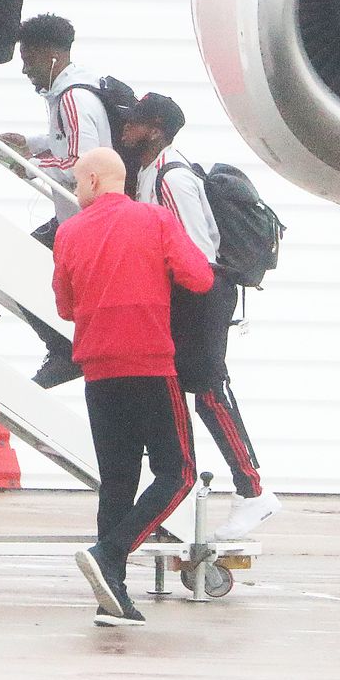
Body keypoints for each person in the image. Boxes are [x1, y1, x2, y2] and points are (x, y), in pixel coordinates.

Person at [54, 148, 214, 628]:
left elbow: (64, 306)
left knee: (117, 481)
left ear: (97, 179)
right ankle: (111, 553)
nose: (76, 191)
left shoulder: (68, 233)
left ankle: (113, 597)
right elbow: (200, 277)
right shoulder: (154, 219)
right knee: (179, 472)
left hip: (99, 372)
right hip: (149, 362)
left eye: (79, 183)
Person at [118, 93, 280, 541]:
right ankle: (181, 490)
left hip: (202, 293)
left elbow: (197, 252)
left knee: (209, 390)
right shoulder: (150, 174)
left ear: (153, 129)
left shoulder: (172, 178)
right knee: (176, 391)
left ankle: (252, 491)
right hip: (190, 295)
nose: (125, 128)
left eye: (133, 122)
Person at [0, 13, 113, 387]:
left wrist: (30, 165)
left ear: (50, 56)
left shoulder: (72, 98)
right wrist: (30, 146)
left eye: (27, 59)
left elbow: (83, 160)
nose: (24, 70)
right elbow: (65, 144)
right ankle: (65, 346)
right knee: (21, 263)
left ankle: (65, 349)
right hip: (80, 216)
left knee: (15, 265)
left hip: (88, 220)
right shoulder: (73, 93)